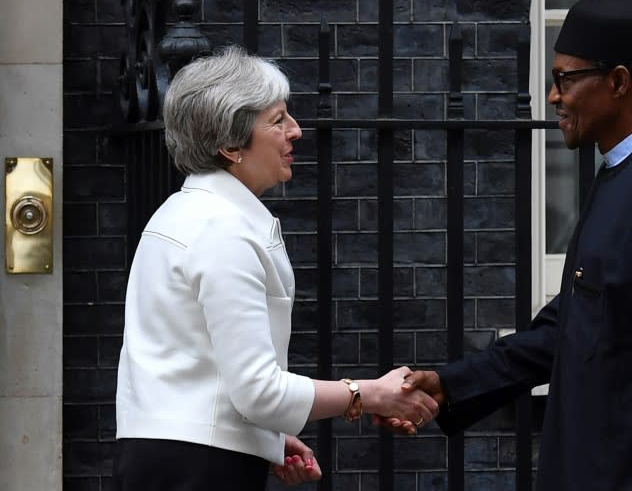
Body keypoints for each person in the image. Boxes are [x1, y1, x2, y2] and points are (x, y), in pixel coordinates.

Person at [388, 0, 632, 491]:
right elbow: (569, 329)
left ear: (618, 81)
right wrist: (449, 386)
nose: (554, 96)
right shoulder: (621, 170)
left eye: (565, 79)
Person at [113, 46, 438, 491]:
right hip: (199, 470)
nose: (296, 131)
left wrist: (262, 439)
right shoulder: (223, 231)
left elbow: (191, 365)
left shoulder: (180, 214)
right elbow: (259, 391)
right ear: (230, 145)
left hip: (168, 457)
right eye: (278, 119)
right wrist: (367, 392)